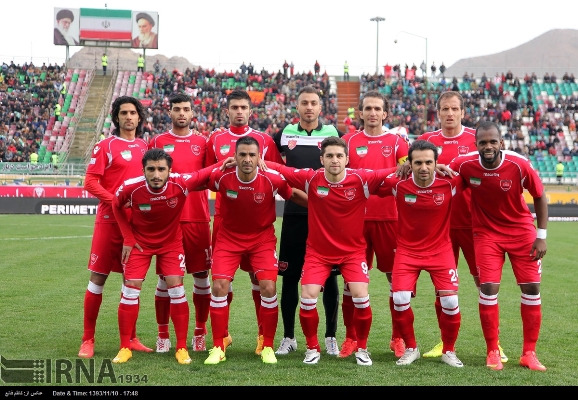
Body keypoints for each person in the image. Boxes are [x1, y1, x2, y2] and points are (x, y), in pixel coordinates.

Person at [266, 136, 395, 366]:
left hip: (353, 253)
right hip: (318, 253)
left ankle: (362, 349)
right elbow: (283, 169)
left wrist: (408, 165)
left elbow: (389, 172)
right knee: (307, 298)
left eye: (339, 156)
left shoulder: (361, 179)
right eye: (329, 156)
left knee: (361, 297)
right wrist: (259, 160)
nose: (334, 160)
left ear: (347, 159)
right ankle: (313, 348)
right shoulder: (312, 178)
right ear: (321, 159)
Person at [406, 91, 508, 363]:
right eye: (444, 109)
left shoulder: (478, 139)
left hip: (476, 225)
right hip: (440, 229)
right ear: (437, 112)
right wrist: (406, 167)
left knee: (484, 285)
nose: (449, 114)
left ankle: (495, 345)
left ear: (463, 112)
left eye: (454, 109)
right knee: (443, 289)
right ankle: (444, 342)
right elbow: (409, 168)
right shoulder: (427, 142)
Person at [449, 121, 548, 372]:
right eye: (483, 142)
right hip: (486, 234)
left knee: (532, 289)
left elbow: (539, 195)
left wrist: (541, 235)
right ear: (476, 145)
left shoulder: (518, 164)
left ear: (501, 143)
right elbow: (444, 176)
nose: (488, 146)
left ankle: (529, 353)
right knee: (488, 288)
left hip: (521, 233)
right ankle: (492, 350)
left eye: (493, 141)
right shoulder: (465, 164)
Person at [203, 136, 307, 365]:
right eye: (242, 155)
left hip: (261, 240)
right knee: (219, 286)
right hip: (228, 240)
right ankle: (218, 346)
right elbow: (197, 181)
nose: (247, 159)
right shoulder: (221, 176)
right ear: (234, 156)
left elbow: (294, 195)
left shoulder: (271, 178)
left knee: (268, 287)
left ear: (259, 156)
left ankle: (267, 345)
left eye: (252, 154)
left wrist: (323, 207)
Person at [111, 148, 216, 364]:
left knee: (176, 287)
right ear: (144, 170)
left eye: (161, 169)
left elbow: (204, 173)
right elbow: (115, 204)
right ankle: (124, 347)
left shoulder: (180, 183)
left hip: (170, 244)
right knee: (130, 289)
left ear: (170, 171)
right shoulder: (131, 187)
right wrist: (128, 238)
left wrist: (226, 162)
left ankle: (181, 348)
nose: (156, 175)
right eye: (151, 169)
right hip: (141, 244)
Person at [206, 89, 285, 355]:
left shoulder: (264, 140)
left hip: (258, 222)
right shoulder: (215, 138)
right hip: (226, 222)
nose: (239, 111)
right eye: (234, 107)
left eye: (244, 107)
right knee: (220, 281)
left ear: (251, 112)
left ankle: (264, 336)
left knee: (259, 278)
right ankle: (223, 336)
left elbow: (275, 174)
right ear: (226, 111)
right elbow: (207, 174)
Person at [78, 96, 151, 359]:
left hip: (135, 225)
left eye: (133, 113)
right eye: (124, 113)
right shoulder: (106, 146)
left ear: (139, 117)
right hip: (109, 222)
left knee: (131, 282)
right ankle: (88, 339)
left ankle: (131, 338)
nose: (129, 117)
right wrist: (117, 201)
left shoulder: (145, 146)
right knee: (98, 278)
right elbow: (90, 182)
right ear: (116, 117)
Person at [379, 140, 464, 367]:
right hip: (407, 251)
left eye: (429, 162)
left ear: (436, 164)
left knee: (450, 300)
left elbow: (472, 170)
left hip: (441, 250)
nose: (424, 167)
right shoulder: (399, 184)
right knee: (399, 298)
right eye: (418, 162)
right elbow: (376, 181)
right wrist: (397, 169)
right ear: (410, 163)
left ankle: (449, 350)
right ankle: (411, 348)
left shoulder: (450, 184)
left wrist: (442, 166)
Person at [272, 86, 342, 357]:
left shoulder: (333, 134)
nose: (309, 107)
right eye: (304, 103)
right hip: (294, 215)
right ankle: (289, 337)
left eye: (314, 103)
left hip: (326, 218)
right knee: (289, 277)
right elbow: (277, 173)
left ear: (320, 107)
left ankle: (331, 337)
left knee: (330, 278)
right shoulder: (284, 135)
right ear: (297, 107)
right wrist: (304, 199)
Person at [340, 90, 409, 359]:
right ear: (360, 112)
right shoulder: (347, 141)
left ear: (385, 113)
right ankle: (351, 338)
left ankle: (397, 338)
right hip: (355, 220)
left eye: (377, 108)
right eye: (367, 108)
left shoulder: (397, 142)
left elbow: (405, 176)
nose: (372, 113)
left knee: (396, 281)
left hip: (390, 219)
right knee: (351, 282)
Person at [149, 93, 212, 353]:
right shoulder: (158, 141)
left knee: (201, 276)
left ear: (192, 112)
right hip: (168, 221)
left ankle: (199, 332)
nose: (182, 114)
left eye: (186, 109)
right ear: (170, 112)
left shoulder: (202, 142)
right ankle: (163, 335)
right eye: (177, 109)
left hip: (197, 218)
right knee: (166, 279)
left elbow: (210, 177)